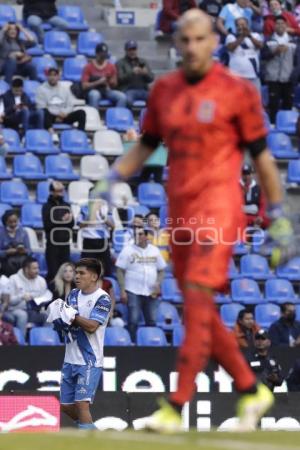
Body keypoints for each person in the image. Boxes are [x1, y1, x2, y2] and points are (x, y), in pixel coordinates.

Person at [97, 9, 297, 431]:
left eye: (198, 39)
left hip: (220, 208)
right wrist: (113, 176)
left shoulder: (236, 91)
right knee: (196, 310)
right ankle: (251, 389)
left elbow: (261, 157)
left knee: (197, 298)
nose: (189, 47)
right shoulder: (164, 90)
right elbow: (148, 144)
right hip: (181, 211)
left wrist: (277, 214)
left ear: (213, 40)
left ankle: (174, 406)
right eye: (183, 40)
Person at [59, 258, 111, 429]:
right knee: (66, 406)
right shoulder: (73, 294)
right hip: (69, 358)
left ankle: (90, 442)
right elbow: (67, 321)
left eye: (82, 273)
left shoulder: (102, 298)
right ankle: (92, 433)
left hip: (89, 360)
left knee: (82, 405)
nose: (77, 277)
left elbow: (91, 326)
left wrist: (71, 317)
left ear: (94, 276)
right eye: (76, 273)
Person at [116, 227, 166, 342]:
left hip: (151, 292)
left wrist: (158, 283)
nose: (138, 236)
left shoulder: (154, 250)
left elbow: (162, 269)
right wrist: (123, 290)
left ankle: (151, 345)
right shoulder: (127, 250)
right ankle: (132, 345)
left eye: (140, 234)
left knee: (152, 320)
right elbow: (119, 270)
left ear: (146, 236)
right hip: (133, 290)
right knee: (133, 320)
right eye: (136, 234)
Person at [6, 256, 50, 337]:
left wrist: (42, 301)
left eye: (38, 268)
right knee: (22, 315)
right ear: (26, 269)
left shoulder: (41, 281)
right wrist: (21, 297)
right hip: (15, 310)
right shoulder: (13, 279)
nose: (38, 271)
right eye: (34, 268)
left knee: (48, 316)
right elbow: (8, 301)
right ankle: (20, 345)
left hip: (33, 311)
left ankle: (43, 341)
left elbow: (45, 296)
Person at [264, 16, 296, 123]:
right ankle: (273, 124)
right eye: (277, 23)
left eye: (282, 23)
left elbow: (297, 60)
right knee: (273, 104)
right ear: (274, 26)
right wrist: (275, 52)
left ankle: (287, 124)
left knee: (288, 102)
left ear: (286, 25)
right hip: (273, 78)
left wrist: (294, 75)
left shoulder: (293, 41)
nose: (280, 25)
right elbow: (263, 56)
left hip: (288, 78)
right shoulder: (268, 40)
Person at [36, 67, 86, 134]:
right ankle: (51, 133)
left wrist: (64, 113)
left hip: (64, 115)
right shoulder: (41, 89)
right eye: (50, 75)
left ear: (58, 77)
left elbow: (70, 105)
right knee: (44, 112)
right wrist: (57, 114)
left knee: (81, 113)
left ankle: (81, 134)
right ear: (47, 77)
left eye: (55, 75)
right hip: (51, 116)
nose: (52, 77)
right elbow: (41, 106)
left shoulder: (65, 89)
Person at [42, 181, 74, 283]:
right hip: (52, 244)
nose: (61, 193)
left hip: (65, 243)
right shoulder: (47, 206)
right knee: (53, 272)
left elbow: (71, 224)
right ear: (52, 192)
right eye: (58, 191)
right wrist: (62, 220)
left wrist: (69, 219)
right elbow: (47, 225)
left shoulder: (67, 205)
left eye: (62, 190)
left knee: (66, 273)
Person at [81, 43, 127, 109]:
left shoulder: (111, 66)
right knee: (94, 95)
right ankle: (94, 117)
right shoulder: (88, 67)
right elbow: (84, 86)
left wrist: (111, 82)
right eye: (101, 54)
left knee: (122, 97)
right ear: (97, 54)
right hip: (94, 89)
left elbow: (115, 84)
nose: (103, 57)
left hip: (106, 90)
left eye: (104, 55)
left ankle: (117, 117)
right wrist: (98, 82)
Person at [77, 197, 114, 277]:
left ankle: (106, 288)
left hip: (103, 241)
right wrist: (90, 216)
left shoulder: (106, 207)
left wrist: (102, 216)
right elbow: (79, 225)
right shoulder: (84, 207)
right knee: (86, 269)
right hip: (88, 241)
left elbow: (113, 225)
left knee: (106, 268)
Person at [226, 17, 263, 91]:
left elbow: (260, 46)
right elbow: (230, 48)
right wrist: (242, 36)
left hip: (253, 75)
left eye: (242, 25)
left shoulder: (255, 35)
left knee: (255, 99)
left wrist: (249, 36)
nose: (240, 27)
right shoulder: (231, 36)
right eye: (237, 25)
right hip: (236, 76)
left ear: (247, 25)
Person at [116, 40, 154, 107]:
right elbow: (119, 79)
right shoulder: (120, 63)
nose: (132, 52)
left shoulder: (143, 61)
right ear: (126, 50)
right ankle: (128, 116)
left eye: (134, 49)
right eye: (130, 49)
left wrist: (145, 73)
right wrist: (131, 72)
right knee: (127, 100)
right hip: (128, 90)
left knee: (156, 99)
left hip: (143, 90)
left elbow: (151, 78)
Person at [0, 209, 31, 277]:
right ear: (5, 222)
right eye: (10, 222)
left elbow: (29, 250)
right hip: (6, 261)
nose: (13, 224)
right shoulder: (1, 233)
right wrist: (6, 252)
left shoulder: (23, 232)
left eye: (15, 221)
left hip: (21, 260)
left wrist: (24, 251)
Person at [240, 163, 269, 228]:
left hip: (255, 215)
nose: (247, 177)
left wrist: (260, 216)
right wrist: (242, 194)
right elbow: (233, 205)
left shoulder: (258, 188)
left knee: (268, 219)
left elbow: (262, 204)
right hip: (241, 215)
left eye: (249, 174)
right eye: (244, 174)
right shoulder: (236, 187)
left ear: (252, 174)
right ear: (241, 175)